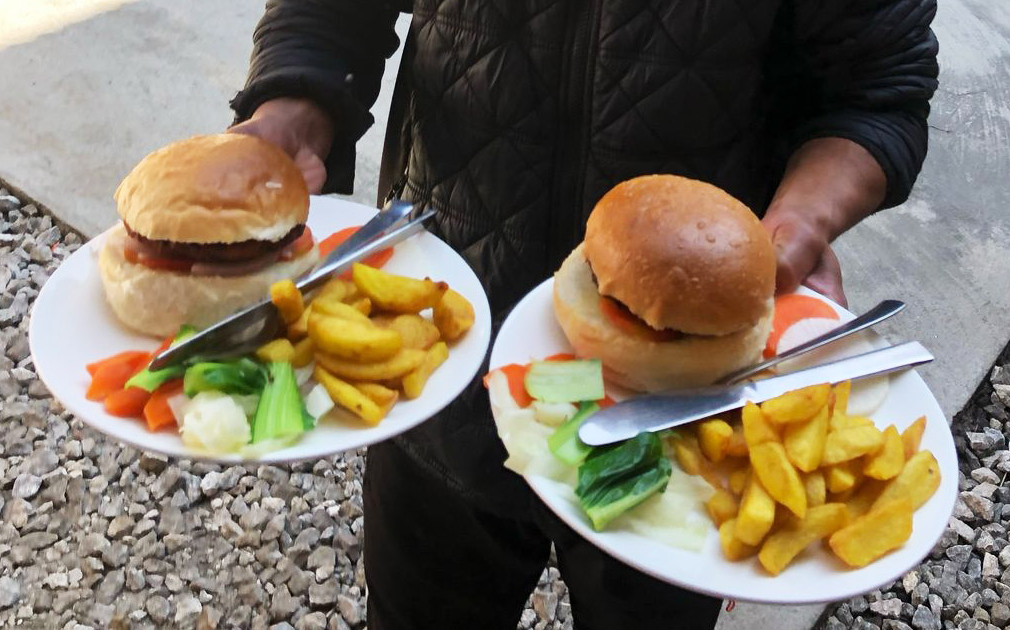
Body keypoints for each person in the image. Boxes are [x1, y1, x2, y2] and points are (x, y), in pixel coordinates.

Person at [228, 1, 939, 628]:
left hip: (683, 427)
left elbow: (877, 91)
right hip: (441, 358)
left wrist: (802, 218)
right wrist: (296, 103)